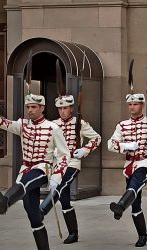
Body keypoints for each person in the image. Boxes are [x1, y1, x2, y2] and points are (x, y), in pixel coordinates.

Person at [0, 94, 71, 250]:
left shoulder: (53, 128)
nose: (30, 110)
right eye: (28, 107)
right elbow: (6, 124)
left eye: (33, 107)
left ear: (42, 108)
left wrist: (57, 176)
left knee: (25, 182)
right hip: (25, 168)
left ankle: (6, 202)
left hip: (42, 168)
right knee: (33, 216)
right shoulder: (23, 124)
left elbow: (64, 155)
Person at [108, 92, 147, 247]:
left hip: (145, 163)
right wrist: (126, 146)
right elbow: (111, 144)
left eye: (135, 104)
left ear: (142, 105)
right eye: (130, 104)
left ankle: (121, 205)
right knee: (136, 203)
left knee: (135, 184)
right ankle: (142, 235)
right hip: (129, 165)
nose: (132, 107)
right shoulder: (122, 125)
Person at [39, 95, 101, 244]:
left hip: (72, 162)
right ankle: (73, 233)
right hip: (58, 163)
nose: (62, 111)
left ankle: (43, 209)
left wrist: (85, 150)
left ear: (71, 108)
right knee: (65, 199)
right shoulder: (53, 124)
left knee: (62, 184)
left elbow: (96, 138)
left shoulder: (80, 123)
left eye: (65, 108)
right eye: (59, 108)